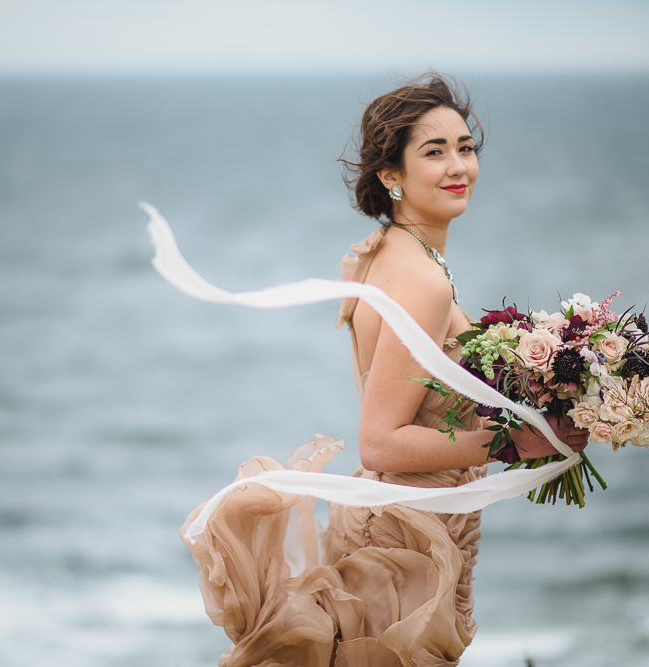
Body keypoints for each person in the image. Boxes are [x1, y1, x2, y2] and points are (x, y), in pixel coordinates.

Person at [181, 72, 588, 667]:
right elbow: (381, 441)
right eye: (434, 152)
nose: (459, 167)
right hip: (405, 540)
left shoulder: (389, 251)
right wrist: (512, 444)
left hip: (403, 519)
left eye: (465, 147)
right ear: (390, 175)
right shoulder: (422, 280)